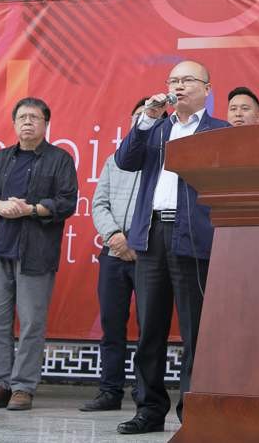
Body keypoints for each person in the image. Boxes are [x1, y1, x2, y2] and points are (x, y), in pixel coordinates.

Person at [114, 60, 230, 435]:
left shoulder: (219, 131)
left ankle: (194, 412)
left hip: (193, 235)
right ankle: (149, 409)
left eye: (188, 80)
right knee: (150, 328)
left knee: (196, 331)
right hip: (152, 236)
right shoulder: (156, 128)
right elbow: (125, 160)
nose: (179, 86)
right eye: (173, 80)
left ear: (207, 89)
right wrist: (146, 119)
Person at [0, 97, 78, 412]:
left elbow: (66, 202)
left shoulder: (60, 159)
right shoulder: (1, 158)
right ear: (14, 124)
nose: (28, 122)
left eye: (34, 117)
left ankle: (23, 388)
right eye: (22, 118)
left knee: (31, 323)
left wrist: (31, 209)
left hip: (36, 253)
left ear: (46, 124)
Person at [80, 97, 151, 412]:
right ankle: (109, 392)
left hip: (148, 254)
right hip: (113, 252)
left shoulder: (165, 161)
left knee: (149, 327)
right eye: (138, 116)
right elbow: (99, 204)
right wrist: (114, 237)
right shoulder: (114, 160)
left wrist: (137, 240)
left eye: (148, 117)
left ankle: (145, 393)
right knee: (112, 325)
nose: (142, 121)